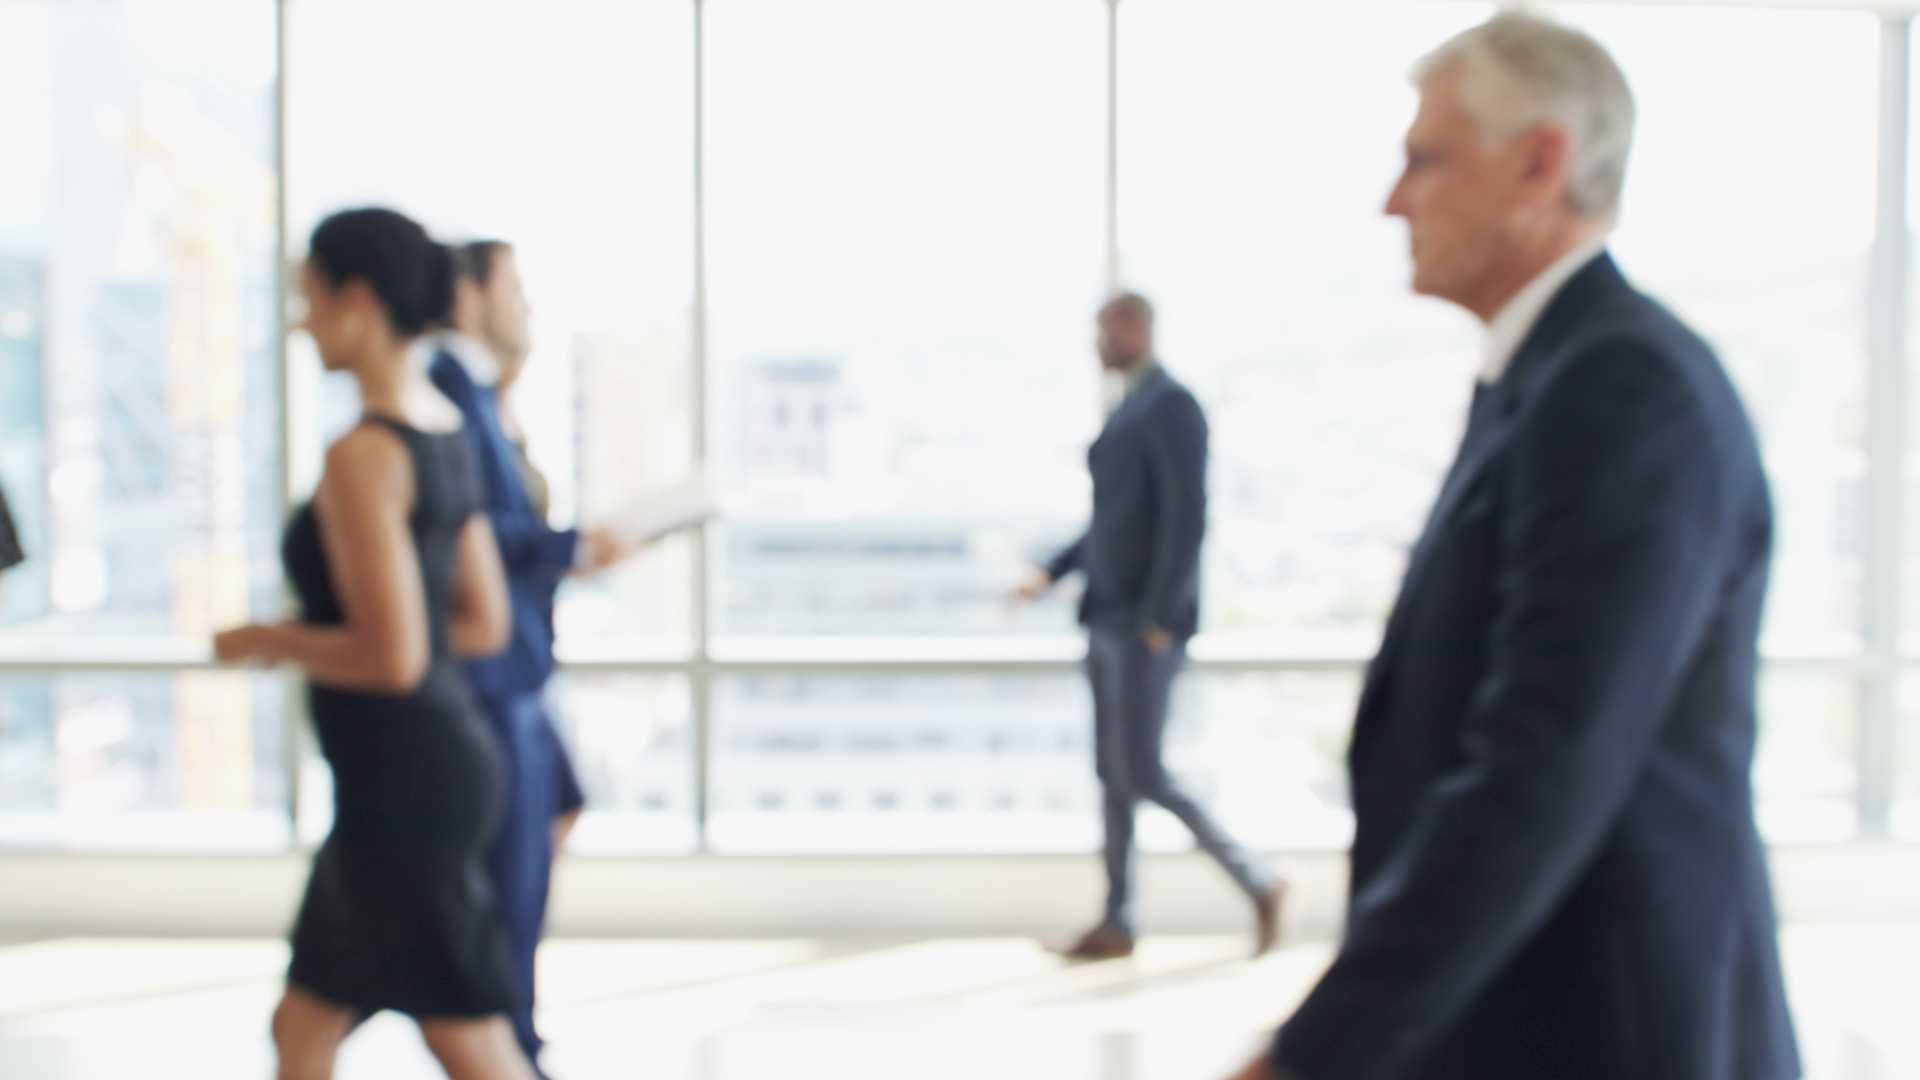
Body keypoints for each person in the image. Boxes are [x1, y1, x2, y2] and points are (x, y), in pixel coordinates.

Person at [1233, 14, 1799, 1080]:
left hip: (1607, 1028)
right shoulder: (1554, 375)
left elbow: (1545, 762)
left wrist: (1316, 1054)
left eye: (1425, 159)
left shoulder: (1623, 389)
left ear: (1540, 161)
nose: (1393, 200)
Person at [214, 207, 532, 1080]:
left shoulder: (363, 453)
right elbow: (479, 622)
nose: (303, 322)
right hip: (424, 766)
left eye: (310, 299)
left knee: (467, 1036)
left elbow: (393, 659)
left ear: (356, 298)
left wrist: (270, 637)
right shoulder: (442, 427)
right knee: (303, 1025)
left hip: (405, 783)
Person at [1017, 293, 1285, 961]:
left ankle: (1258, 880)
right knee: (1113, 775)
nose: (1098, 344)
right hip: (1107, 618)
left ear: (1136, 329)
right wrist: (1052, 572)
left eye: (1106, 331)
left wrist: (1161, 618)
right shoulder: (1130, 405)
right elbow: (1112, 522)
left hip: (1144, 628)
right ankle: (1117, 921)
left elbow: (1187, 516)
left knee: (1143, 770)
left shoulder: (1172, 405)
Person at [428, 238, 635, 1073]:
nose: (528, 307)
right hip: (492, 671)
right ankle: (507, 1035)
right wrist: (574, 546)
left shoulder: (489, 397)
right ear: (469, 296)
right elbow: (476, 532)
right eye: (513, 287)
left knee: (552, 817)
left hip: (522, 663)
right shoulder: (453, 392)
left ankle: (513, 1022)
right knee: (504, 867)